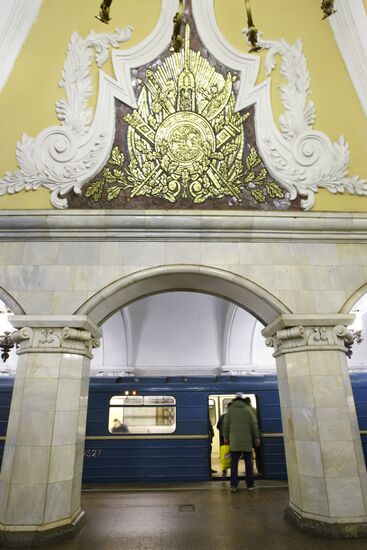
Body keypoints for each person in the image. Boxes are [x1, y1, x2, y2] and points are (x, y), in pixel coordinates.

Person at [224, 392, 260, 493]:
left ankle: (234, 485)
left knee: (234, 464)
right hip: (247, 441)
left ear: (235, 399)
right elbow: (254, 425)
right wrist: (256, 438)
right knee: (248, 463)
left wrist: (226, 437)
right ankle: (250, 485)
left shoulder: (230, 410)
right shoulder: (248, 409)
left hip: (234, 442)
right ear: (243, 399)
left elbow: (226, 425)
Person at [244, 396, 262, 475]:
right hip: (255, 435)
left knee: (248, 454)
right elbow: (256, 423)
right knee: (258, 453)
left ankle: (250, 469)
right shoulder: (254, 410)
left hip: (247, 435)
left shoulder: (244, 411)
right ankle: (260, 468)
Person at [217, 404, 229, 478]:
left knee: (224, 454)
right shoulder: (232, 417)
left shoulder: (222, 416)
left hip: (222, 439)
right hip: (230, 438)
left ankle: (224, 471)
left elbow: (218, 426)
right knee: (233, 454)